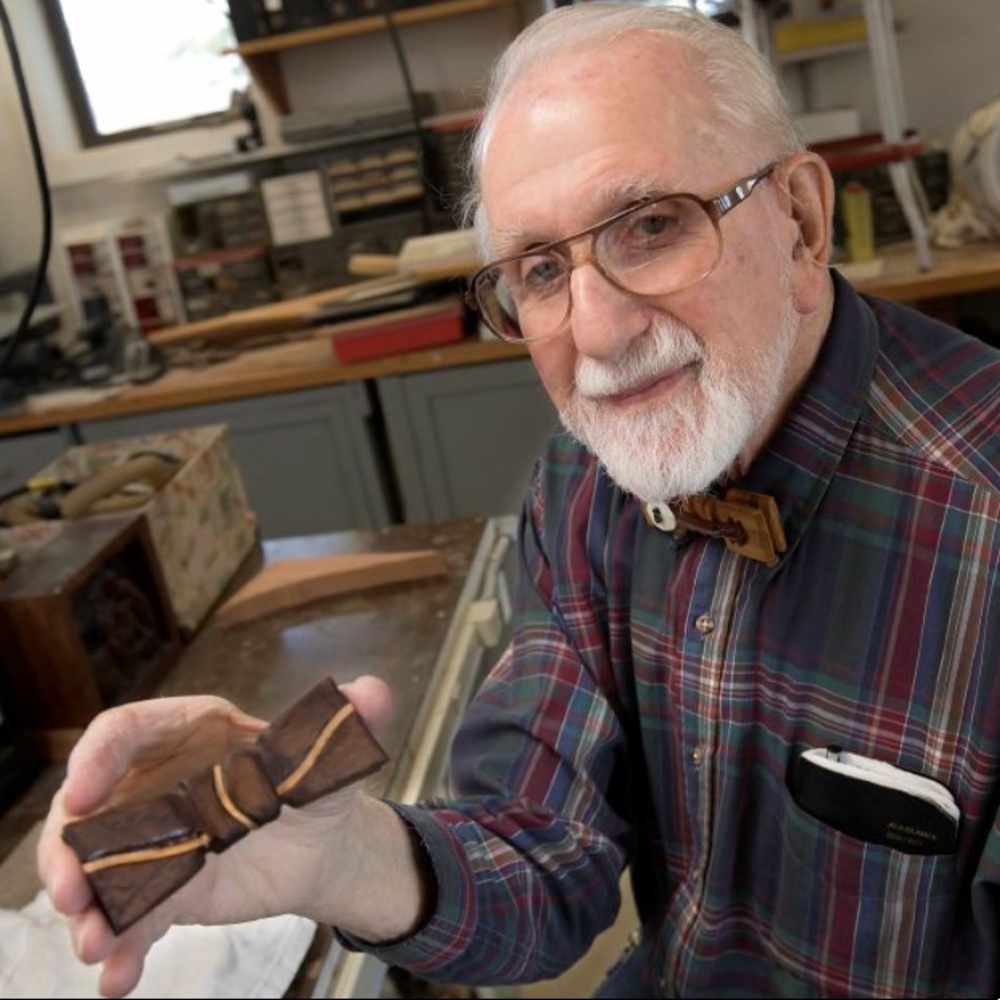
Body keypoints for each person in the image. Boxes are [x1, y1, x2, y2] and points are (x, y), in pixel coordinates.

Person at [39, 4, 1000, 997]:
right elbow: (543, 861)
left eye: (652, 225)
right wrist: (343, 862)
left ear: (800, 222)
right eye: (541, 269)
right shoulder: (587, 481)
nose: (597, 331)